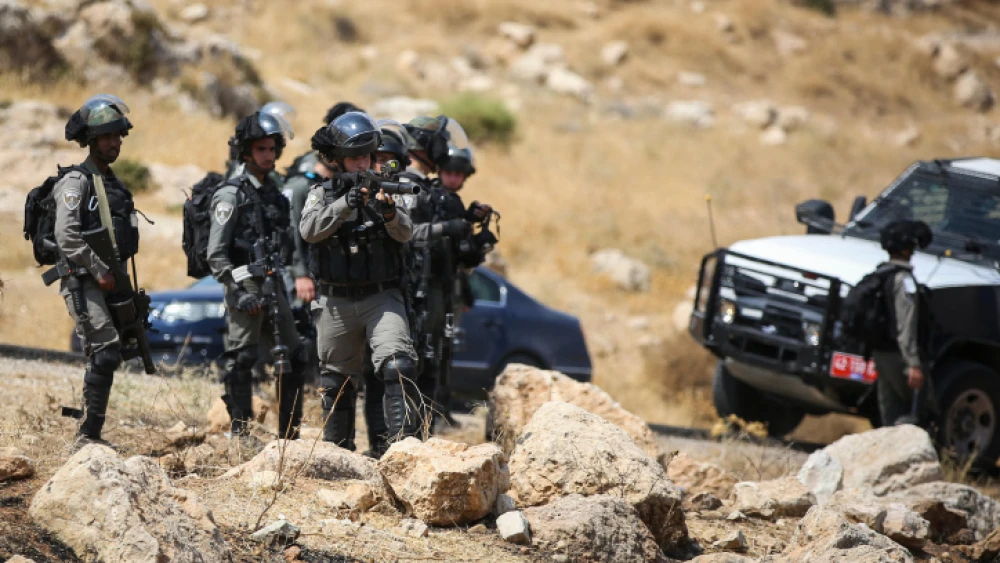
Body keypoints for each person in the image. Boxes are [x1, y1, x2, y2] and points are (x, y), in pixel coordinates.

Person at [300, 111, 421, 451]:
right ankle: (339, 458)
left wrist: (388, 212)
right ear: (338, 160)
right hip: (336, 301)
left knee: (398, 364)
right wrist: (344, 205)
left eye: (367, 155)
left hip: (381, 298)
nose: (363, 163)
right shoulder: (320, 193)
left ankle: (403, 453)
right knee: (336, 381)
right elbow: (308, 231)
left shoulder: (388, 190)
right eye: (355, 157)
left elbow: (406, 233)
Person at [208, 111, 307, 439]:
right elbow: (216, 253)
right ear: (247, 152)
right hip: (244, 281)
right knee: (242, 357)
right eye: (261, 149)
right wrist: (237, 291)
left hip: (273, 281)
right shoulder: (230, 194)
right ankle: (239, 434)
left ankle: (289, 437)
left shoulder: (273, 192)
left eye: (272, 149)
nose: (268, 155)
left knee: (295, 355)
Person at [53, 94, 141, 446]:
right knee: (104, 349)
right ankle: (87, 436)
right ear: (91, 140)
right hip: (83, 279)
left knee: (115, 351)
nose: (113, 143)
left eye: (117, 136)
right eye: (106, 137)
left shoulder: (114, 184)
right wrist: (97, 268)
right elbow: (66, 236)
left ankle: (92, 429)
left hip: (112, 279)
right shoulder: (77, 182)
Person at [403, 117, 494, 427]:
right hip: (417, 287)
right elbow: (409, 234)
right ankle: (408, 426)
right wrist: (449, 227)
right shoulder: (408, 183)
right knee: (418, 357)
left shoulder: (427, 188)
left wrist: (467, 223)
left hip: (436, 284)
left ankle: (426, 420)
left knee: (435, 354)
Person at [872, 219, 933, 427]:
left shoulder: (880, 274)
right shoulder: (903, 280)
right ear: (908, 249)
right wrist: (913, 364)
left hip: (880, 354)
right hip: (900, 357)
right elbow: (906, 325)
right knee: (914, 417)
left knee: (889, 417)